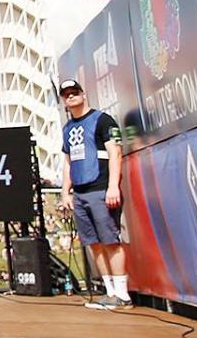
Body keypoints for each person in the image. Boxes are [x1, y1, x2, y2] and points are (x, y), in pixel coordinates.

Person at [58, 77, 130, 309]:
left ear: (83, 93)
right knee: (93, 243)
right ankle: (108, 292)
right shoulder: (68, 128)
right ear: (63, 100)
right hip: (79, 192)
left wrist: (113, 186)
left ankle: (123, 294)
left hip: (100, 188)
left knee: (110, 240)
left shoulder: (102, 120)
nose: (71, 96)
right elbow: (68, 161)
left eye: (74, 92)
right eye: (66, 94)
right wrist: (65, 192)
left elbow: (115, 153)